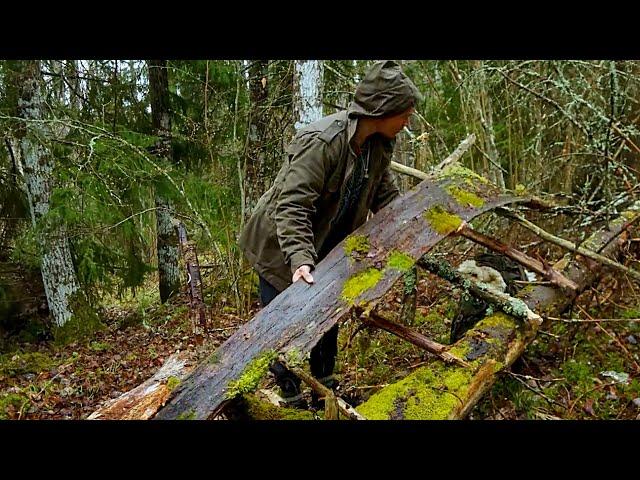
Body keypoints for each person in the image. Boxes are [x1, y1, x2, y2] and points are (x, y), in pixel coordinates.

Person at [239, 60, 422, 408]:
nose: (408, 121)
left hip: (328, 247)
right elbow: (291, 206)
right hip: (280, 248)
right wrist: (300, 260)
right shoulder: (323, 141)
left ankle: (325, 392)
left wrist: (413, 225)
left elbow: (386, 197)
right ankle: (290, 399)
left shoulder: (379, 147)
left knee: (327, 321)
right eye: (405, 113)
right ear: (384, 109)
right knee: (284, 325)